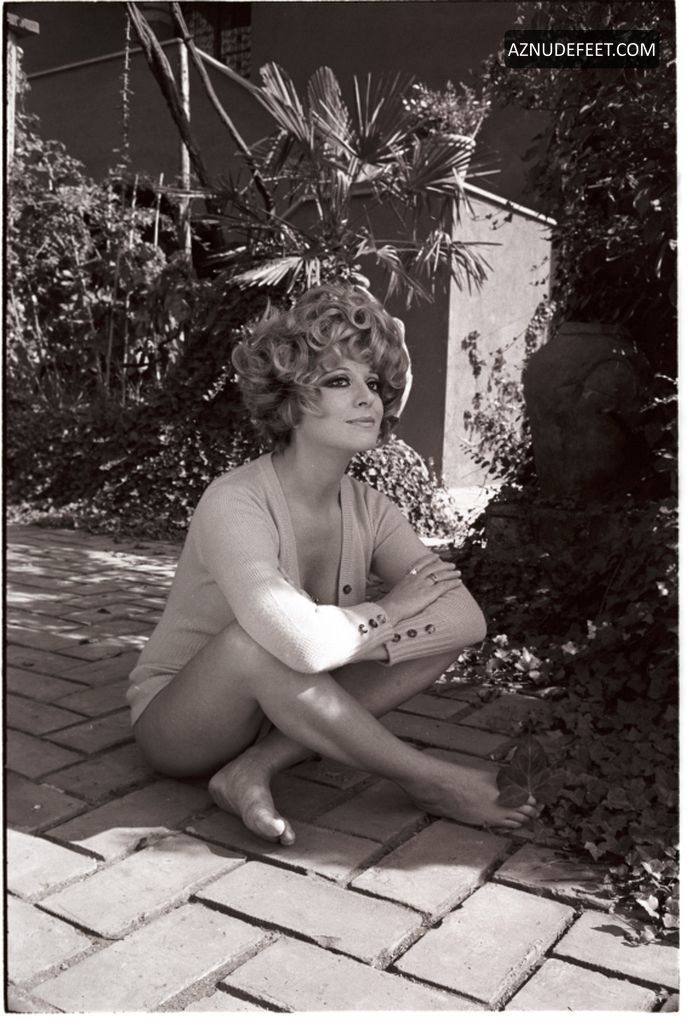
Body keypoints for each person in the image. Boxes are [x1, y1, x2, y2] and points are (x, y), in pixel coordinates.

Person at [127, 283, 539, 845]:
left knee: (415, 636)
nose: (369, 398)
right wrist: (393, 611)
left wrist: (353, 636)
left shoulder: (372, 507)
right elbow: (301, 647)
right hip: (184, 724)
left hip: (282, 708)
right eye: (340, 381)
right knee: (256, 644)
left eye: (374, 383)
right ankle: (429, 779)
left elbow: (464, 620)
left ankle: (256, 766)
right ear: (291, 399)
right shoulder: (234, 501)